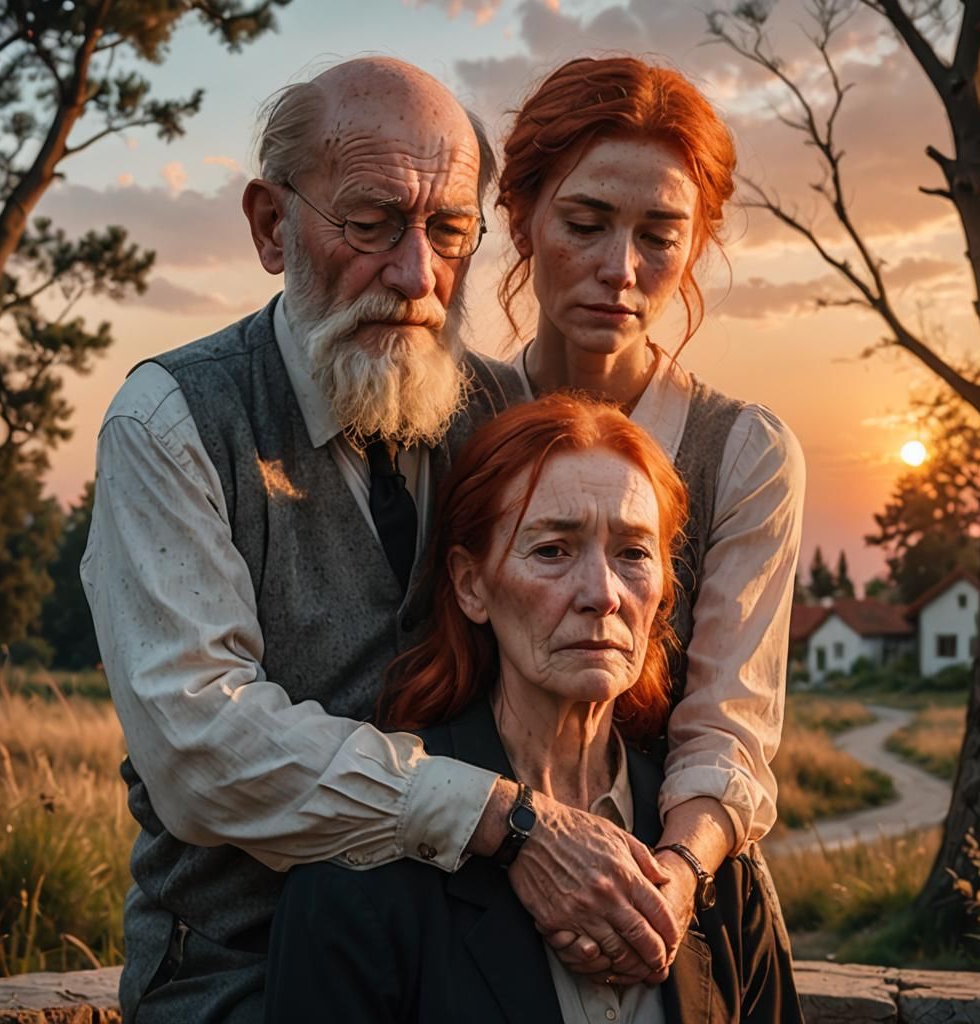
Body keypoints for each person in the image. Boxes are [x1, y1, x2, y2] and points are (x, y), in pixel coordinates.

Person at [81, 57, 687, 1023]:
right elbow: (198, 744)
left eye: (450, 232)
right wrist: (501, 819)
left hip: (481, 940)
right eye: (369, 225)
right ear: (271, 225)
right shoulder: (173, 421)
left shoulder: (497, 408)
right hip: (241, 969)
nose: (415, 277)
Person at [265, 394, 801, 1023]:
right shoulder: (368, 868)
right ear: (471, 585)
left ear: (663, 590)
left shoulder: (711, 860)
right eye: (552, 550)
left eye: (633, 553)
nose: (602, 594)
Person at [495, 55, 806, 972]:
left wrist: (671, 878)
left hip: (683, 911)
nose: (618, 270)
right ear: (520, 218)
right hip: (467, 889)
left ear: (697, 244)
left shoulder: (741, 452)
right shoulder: (460, 419)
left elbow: (730, 724)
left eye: (660, 236)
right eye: (585, 224)